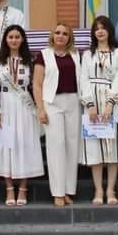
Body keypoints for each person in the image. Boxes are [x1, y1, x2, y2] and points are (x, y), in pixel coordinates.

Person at [0, 25, 43, 207]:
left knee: (25, 144)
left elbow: (36, 86)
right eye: (10, 37)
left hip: (25, 106)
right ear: (5, 39)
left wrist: (39, 108)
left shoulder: (31, 61)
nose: (14, 40)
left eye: (17, 37)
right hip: (4, 105)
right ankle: (9, 187)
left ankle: (23, 188)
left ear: (23, 39)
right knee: (5, 145)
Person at [79, 16, 118, 206]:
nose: (100, 31)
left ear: (109, 31)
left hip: (111, 102)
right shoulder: (87, 55)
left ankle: (110, 189)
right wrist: (89, 104)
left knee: (112, 147)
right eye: (96, 28)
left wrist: (111, 101)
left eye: (103, 28)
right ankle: (98, 190)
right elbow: (83, 78)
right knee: (95, 147)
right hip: (92, 102)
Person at [33, 22, 82, 207]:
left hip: (73, 102)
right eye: (58, 33)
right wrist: (40, 108)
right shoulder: (43, 55)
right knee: (56, 146)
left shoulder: (76, 55)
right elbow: (37, 84)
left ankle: (69, 190)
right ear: (52, 35)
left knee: (72, 146)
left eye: (65, 33)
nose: (61, 36)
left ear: (70, 37)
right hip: (52, 103)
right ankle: (58, 192)